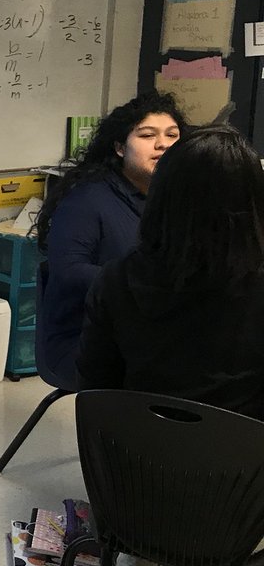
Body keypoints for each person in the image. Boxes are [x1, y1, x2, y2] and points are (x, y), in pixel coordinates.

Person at [78, 125, 264, 566]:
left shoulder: (114, 282)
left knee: (159, 448)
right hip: (235, 517)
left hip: (129, 502)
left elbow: (95, 393)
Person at [34, 90, 186, 383]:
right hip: (84, 339)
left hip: (153, 328)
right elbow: (69, 272)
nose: (162, 144)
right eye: (146, 135)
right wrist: (146, 284)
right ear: (119, 147)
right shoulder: (88, 199)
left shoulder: (177, 200)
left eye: (172, 135)